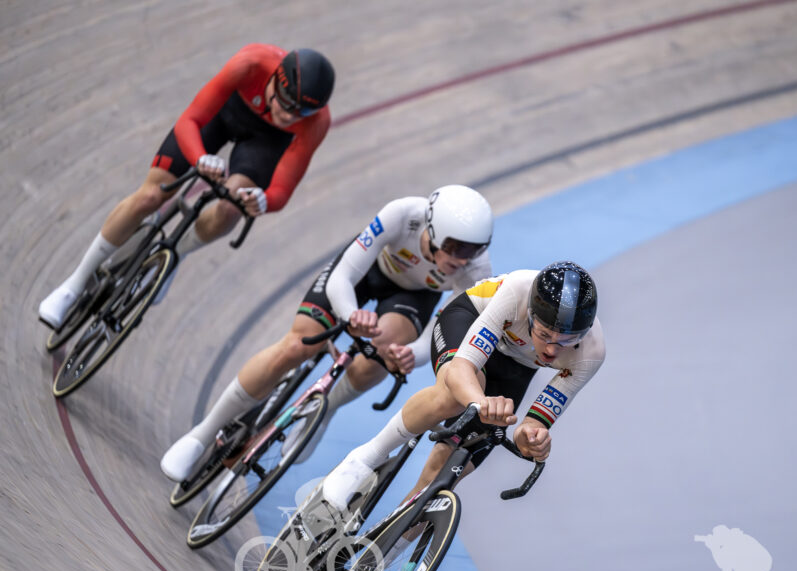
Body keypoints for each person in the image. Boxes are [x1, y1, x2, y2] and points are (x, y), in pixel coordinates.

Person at [160, 184, 494, 481]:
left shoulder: (476, 271)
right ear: (431, 230)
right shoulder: (403, 213)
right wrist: (350, 315)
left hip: (413, 297)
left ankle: (325, 409)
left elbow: (443, 330)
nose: (463, 260)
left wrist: (412, 355)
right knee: (295, 347)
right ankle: (201, 435)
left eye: (474, 250)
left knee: (385, 351)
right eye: (455, 247)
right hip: (365, 273)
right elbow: (343, 276)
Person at [38, 44, 335, 328]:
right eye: (285, 103)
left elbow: (283, 189)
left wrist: (261, 200)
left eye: (300, 113)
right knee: (151, 196)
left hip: (265, 142)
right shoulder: (250, 65)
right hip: (224, 114)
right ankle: (73, 285)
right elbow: (189, 120)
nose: (288, 116)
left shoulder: (318, 122)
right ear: (274, 79)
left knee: (230, 209)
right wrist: (201, 158)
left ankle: (173, 257)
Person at [320, 261, 605, 514]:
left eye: (567, 340)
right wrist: (480, 403)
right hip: (468, 318)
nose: (553, 350)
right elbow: (461, 371)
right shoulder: (517, 290)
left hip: (516, 368)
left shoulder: (591, 353)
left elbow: (529, 425)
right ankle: (363, 460)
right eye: (544, 335)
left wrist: (531, 439)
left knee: (444, 478)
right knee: (455, 396)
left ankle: (377, 559)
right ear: (530, 315)